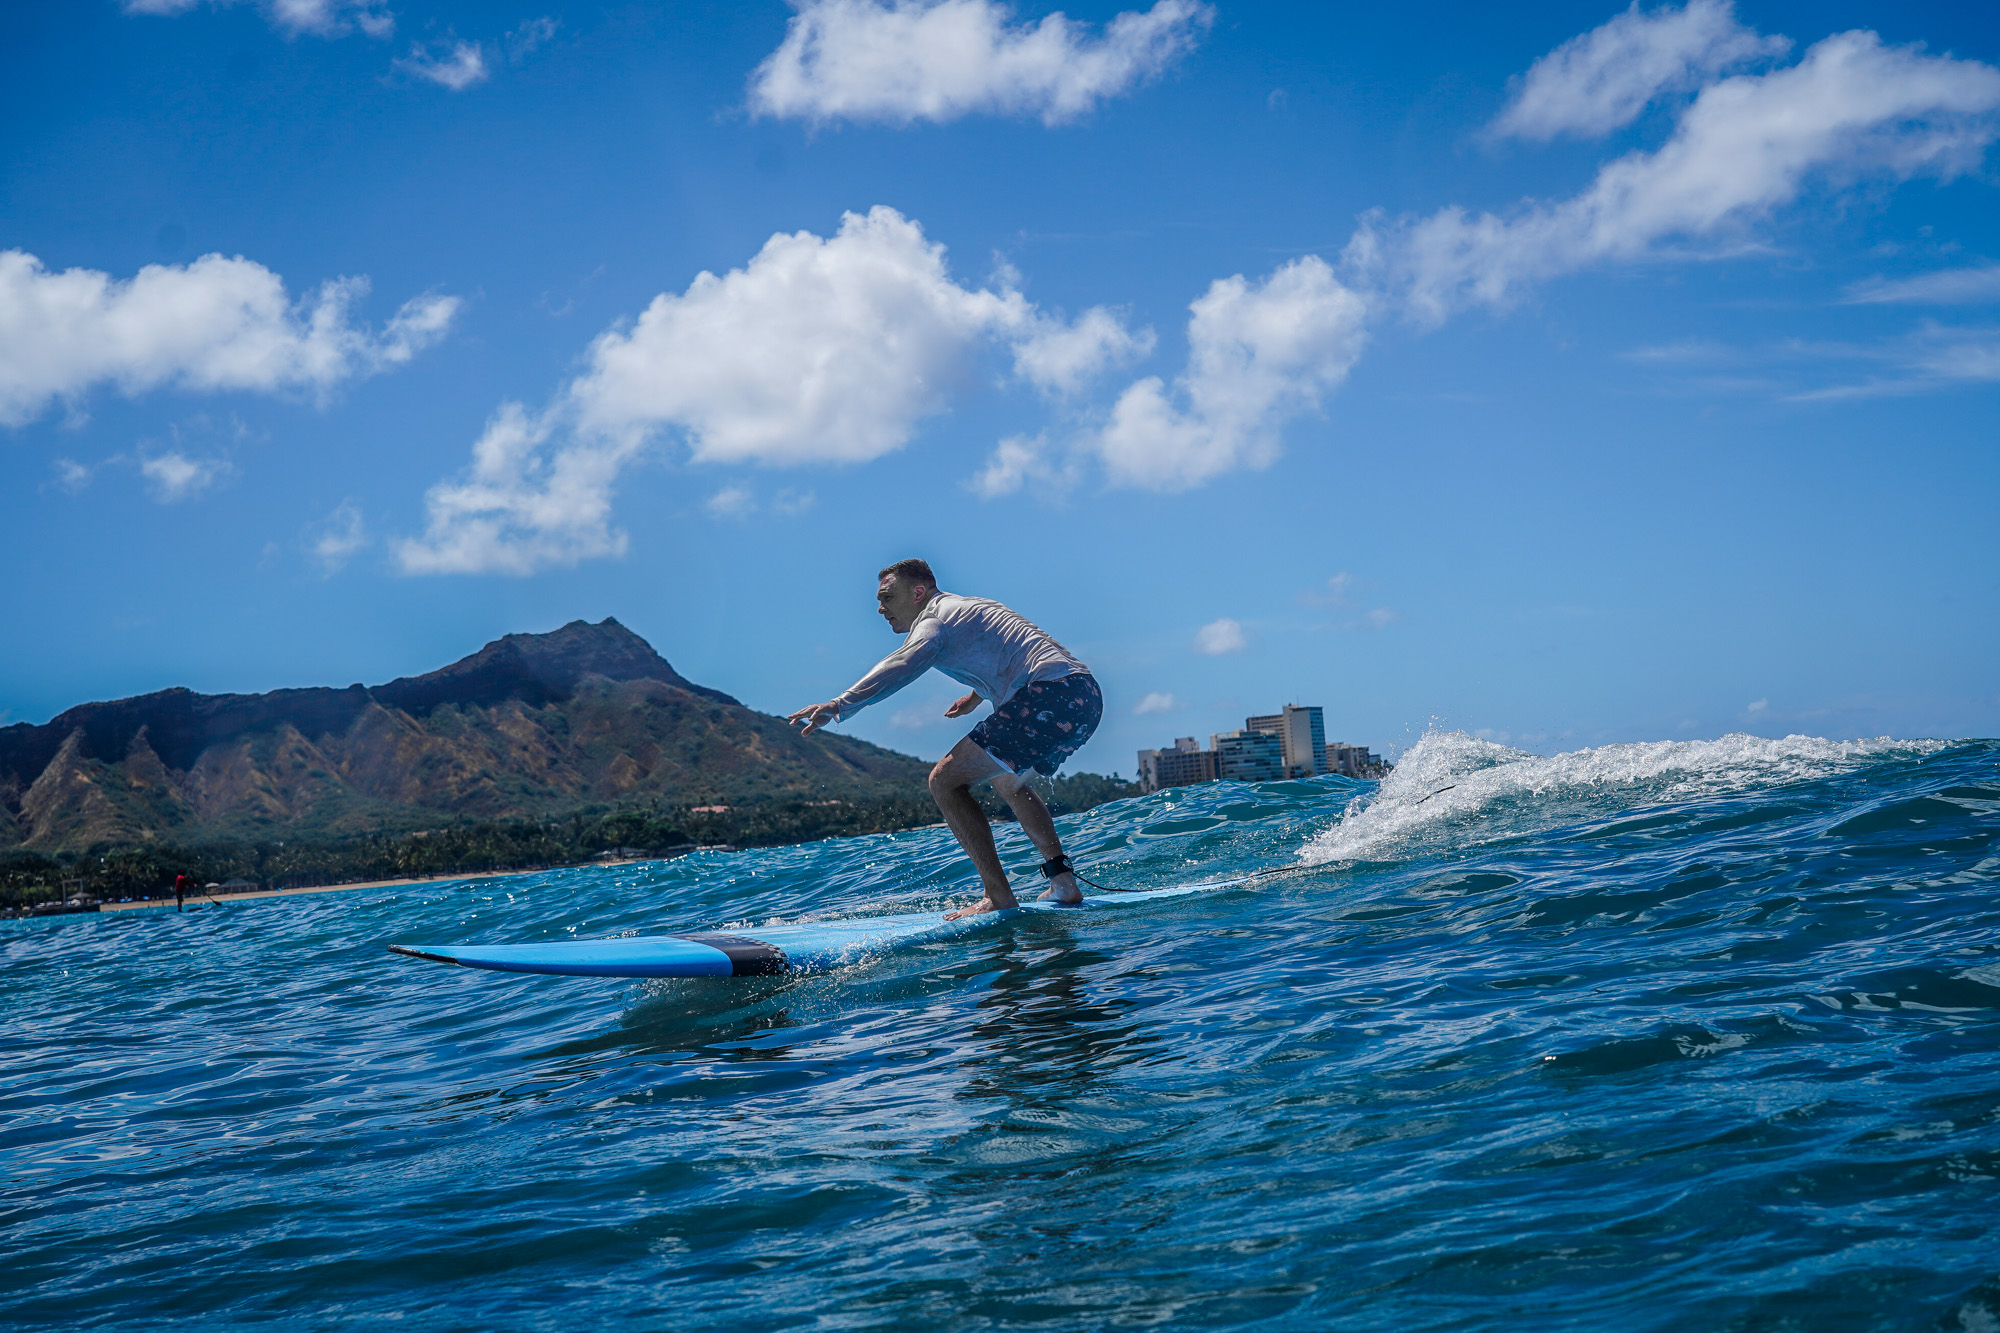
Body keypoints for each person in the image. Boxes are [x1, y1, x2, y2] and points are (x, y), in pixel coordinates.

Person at [789, 559, 1103, 919]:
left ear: (918, 592)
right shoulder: (970, 607)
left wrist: (839, 705)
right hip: (1085, 696)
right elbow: (1007, 653)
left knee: (945, 781)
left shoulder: (934, 621)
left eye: (888, 597)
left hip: (1048, 695)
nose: (880, 608)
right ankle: (1063, 882)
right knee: (1008, 782)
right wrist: (975, 697)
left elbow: (901, 665)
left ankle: (997, 896)